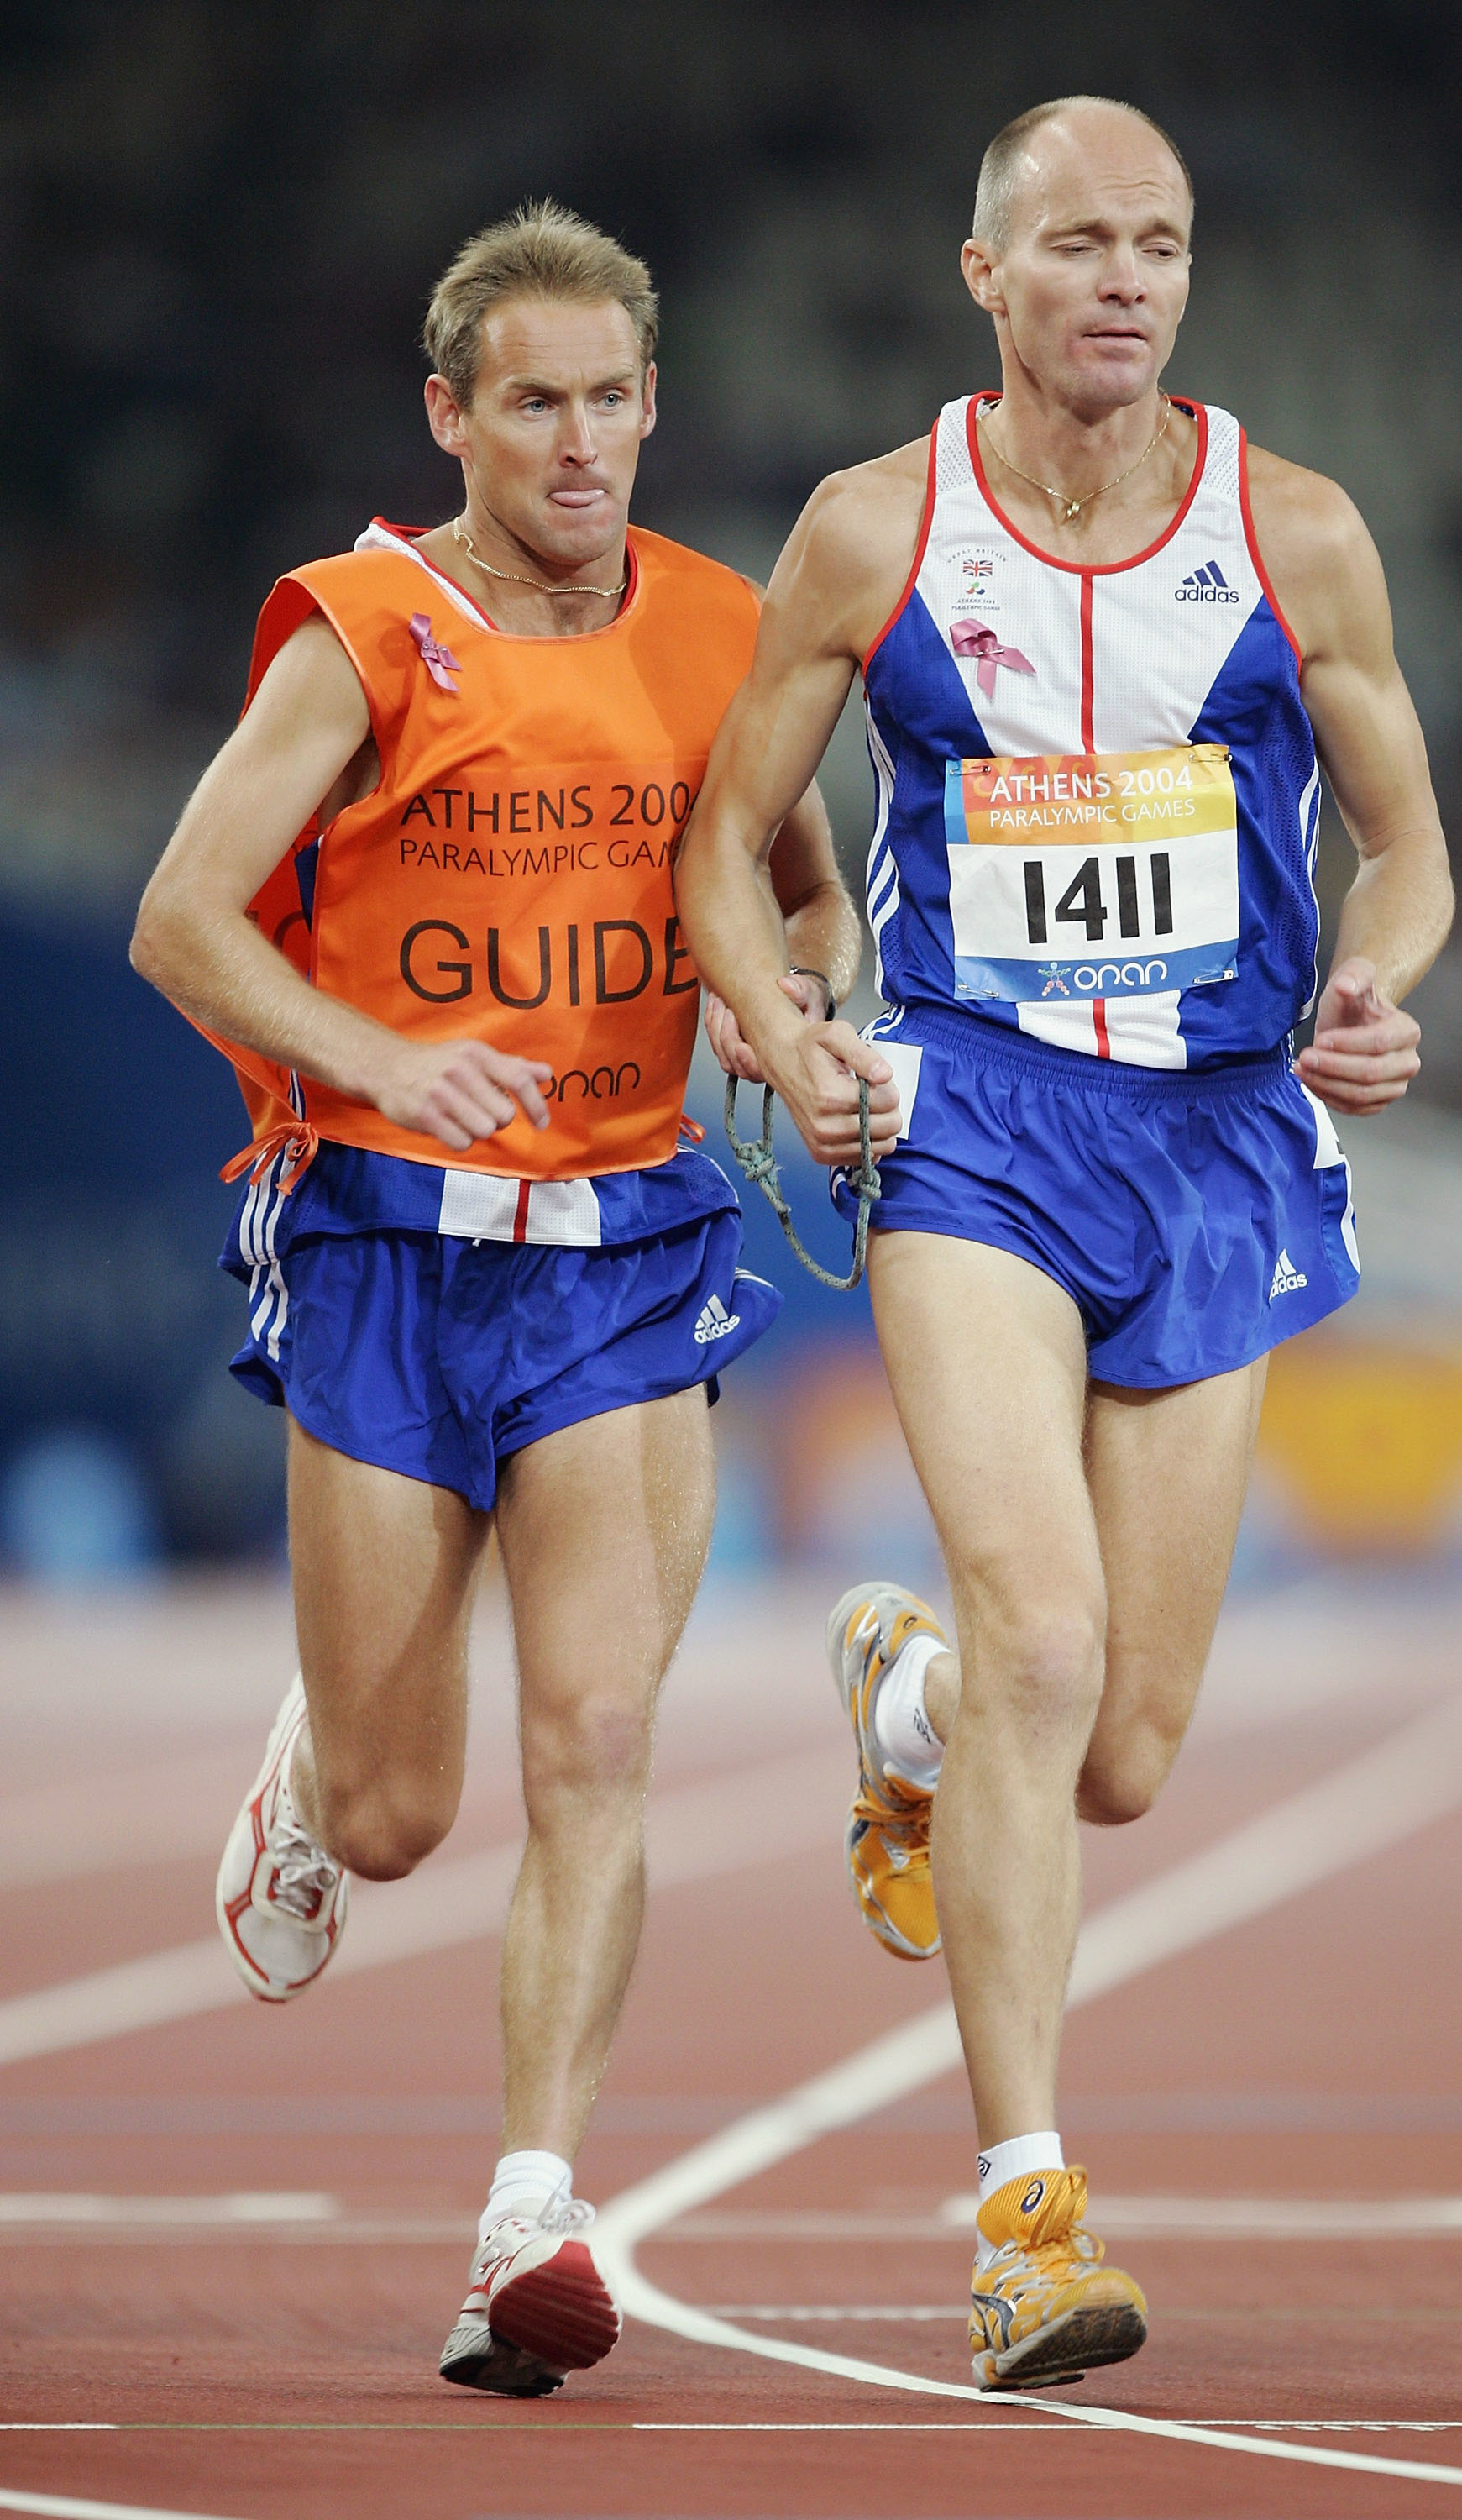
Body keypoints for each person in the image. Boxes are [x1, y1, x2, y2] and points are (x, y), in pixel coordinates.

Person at [679, 97, 1452, 2391]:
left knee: (1113, 1747)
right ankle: (1024, 2217)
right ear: (982, 276)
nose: (1125, 280)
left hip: (1218, 1142)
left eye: (1162, 245)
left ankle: (890, 1698)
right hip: (974, 1130)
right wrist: (778, 1019)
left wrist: (1371, 983)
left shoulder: (1294, 532)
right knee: (1045, 1639)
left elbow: (1405, 845)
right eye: (1079, 244)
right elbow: (733, 843)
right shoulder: (872, 528)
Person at [130, 202, 859, 2397]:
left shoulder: (724, 630)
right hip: (378, 1235)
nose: (575, 440)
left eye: (610, 398)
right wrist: (369, 1052)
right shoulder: (362, 631)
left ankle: (531, 2214)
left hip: (629, 1250)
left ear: (653, 406)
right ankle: (315, 1752)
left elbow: (791, 886)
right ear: (450, 412)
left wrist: (782, 1008)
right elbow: (183, 919)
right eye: (528, 400)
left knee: (599, 1739)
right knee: (393, 1818)